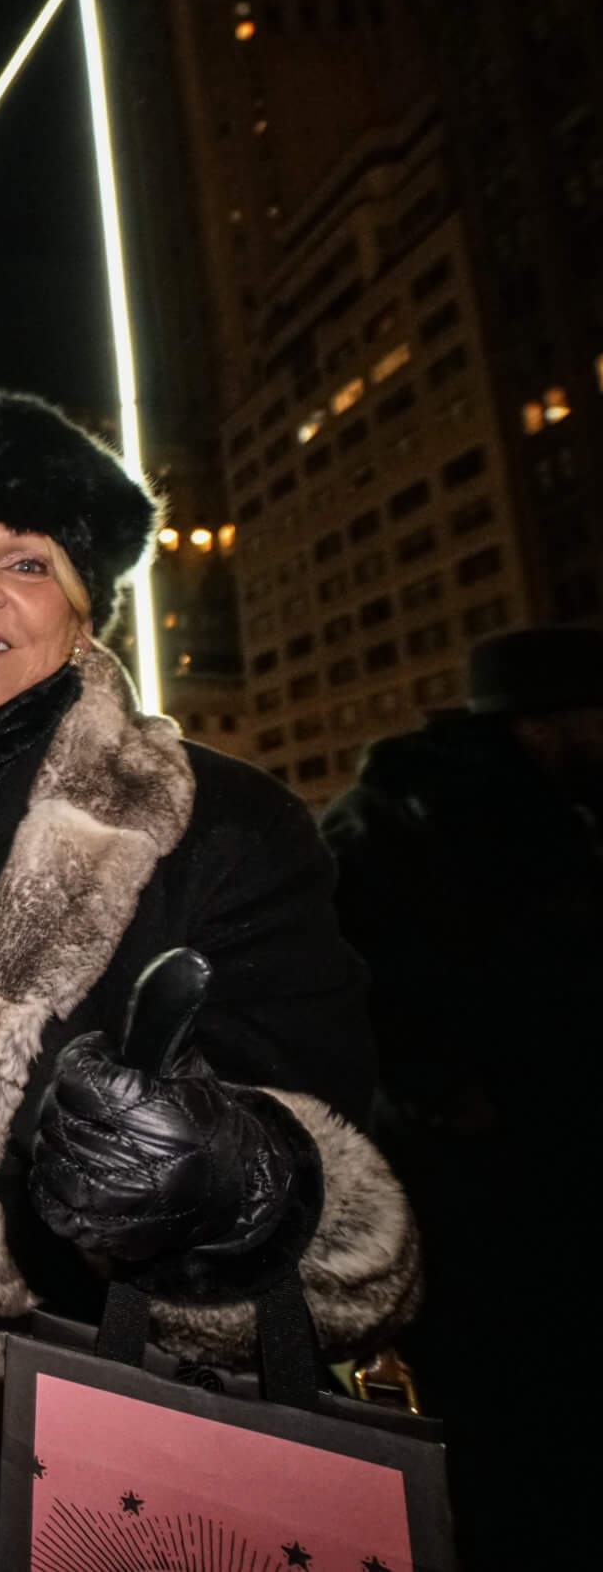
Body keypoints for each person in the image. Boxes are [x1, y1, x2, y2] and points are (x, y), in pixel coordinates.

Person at [0, 392, 419, 1571]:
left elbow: (341, 1132)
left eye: (25, 560)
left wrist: (238, 1175)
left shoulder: (227, 822)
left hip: (165, 1431)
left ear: (84, 609)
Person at [323, 624, 603, 1565]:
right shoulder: (410, 816)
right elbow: (342, 975)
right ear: (548, 718)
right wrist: (446, 1094)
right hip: (473, 1182)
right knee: (507, 1413)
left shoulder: (554, 812)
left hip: (543, 1161)